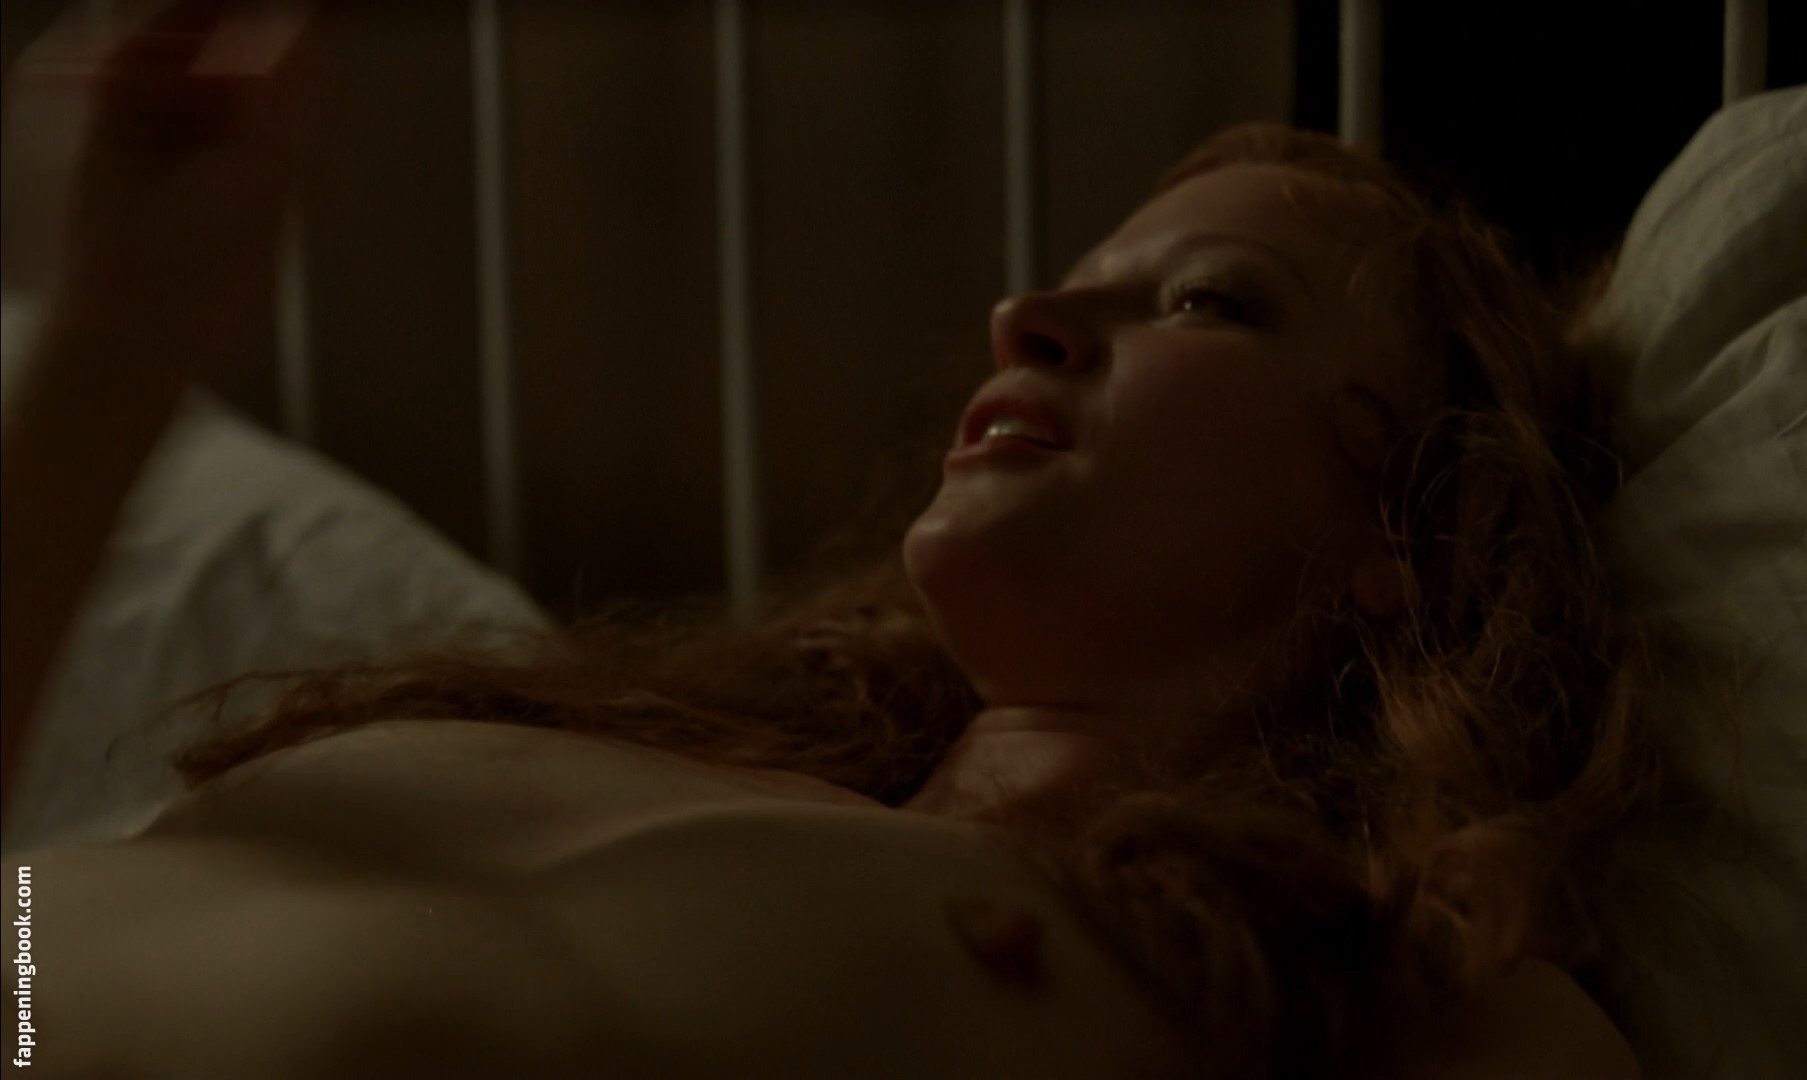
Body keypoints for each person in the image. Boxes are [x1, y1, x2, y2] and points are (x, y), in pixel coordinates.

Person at [2, 3, 1659, 1076]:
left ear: (1411, 530)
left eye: (1208, 305)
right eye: (1071, 279)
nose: (1027, 316)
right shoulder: (618, 747)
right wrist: (108, 349)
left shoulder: (1378, 992)